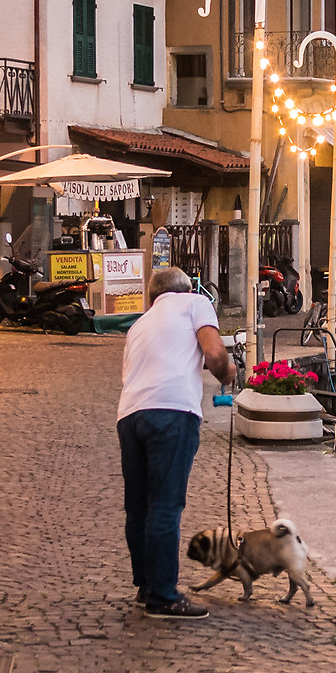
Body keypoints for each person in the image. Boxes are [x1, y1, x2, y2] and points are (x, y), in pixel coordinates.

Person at [117, 263, 236, 619]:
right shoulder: (195, 303)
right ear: (185, 290)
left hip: (130, 414)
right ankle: (164, 596)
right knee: (166, 506)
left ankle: (146, 586)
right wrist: (228, 373)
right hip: (173, 412)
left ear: (153, 297)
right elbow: (214, 354)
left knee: (138, 509)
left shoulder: (139, 325)